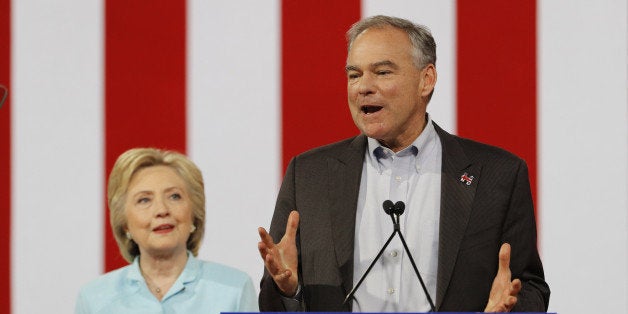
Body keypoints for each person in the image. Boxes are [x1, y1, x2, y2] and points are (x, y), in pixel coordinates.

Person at [257, 15, 550, 312]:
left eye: (382, 72)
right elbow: (273, 299)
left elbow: (530, 289)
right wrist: (289, 291)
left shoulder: (497, 175)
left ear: (427, 79)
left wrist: (510, 308)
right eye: (354, 75)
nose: (363, 87)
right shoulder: (309, 175)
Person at [76, 148, 258, 314]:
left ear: (194, 215)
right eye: (144, 200)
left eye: (174, 196)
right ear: (124, 223)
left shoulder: (234, 289)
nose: (162, 210)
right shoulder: (94, 299)